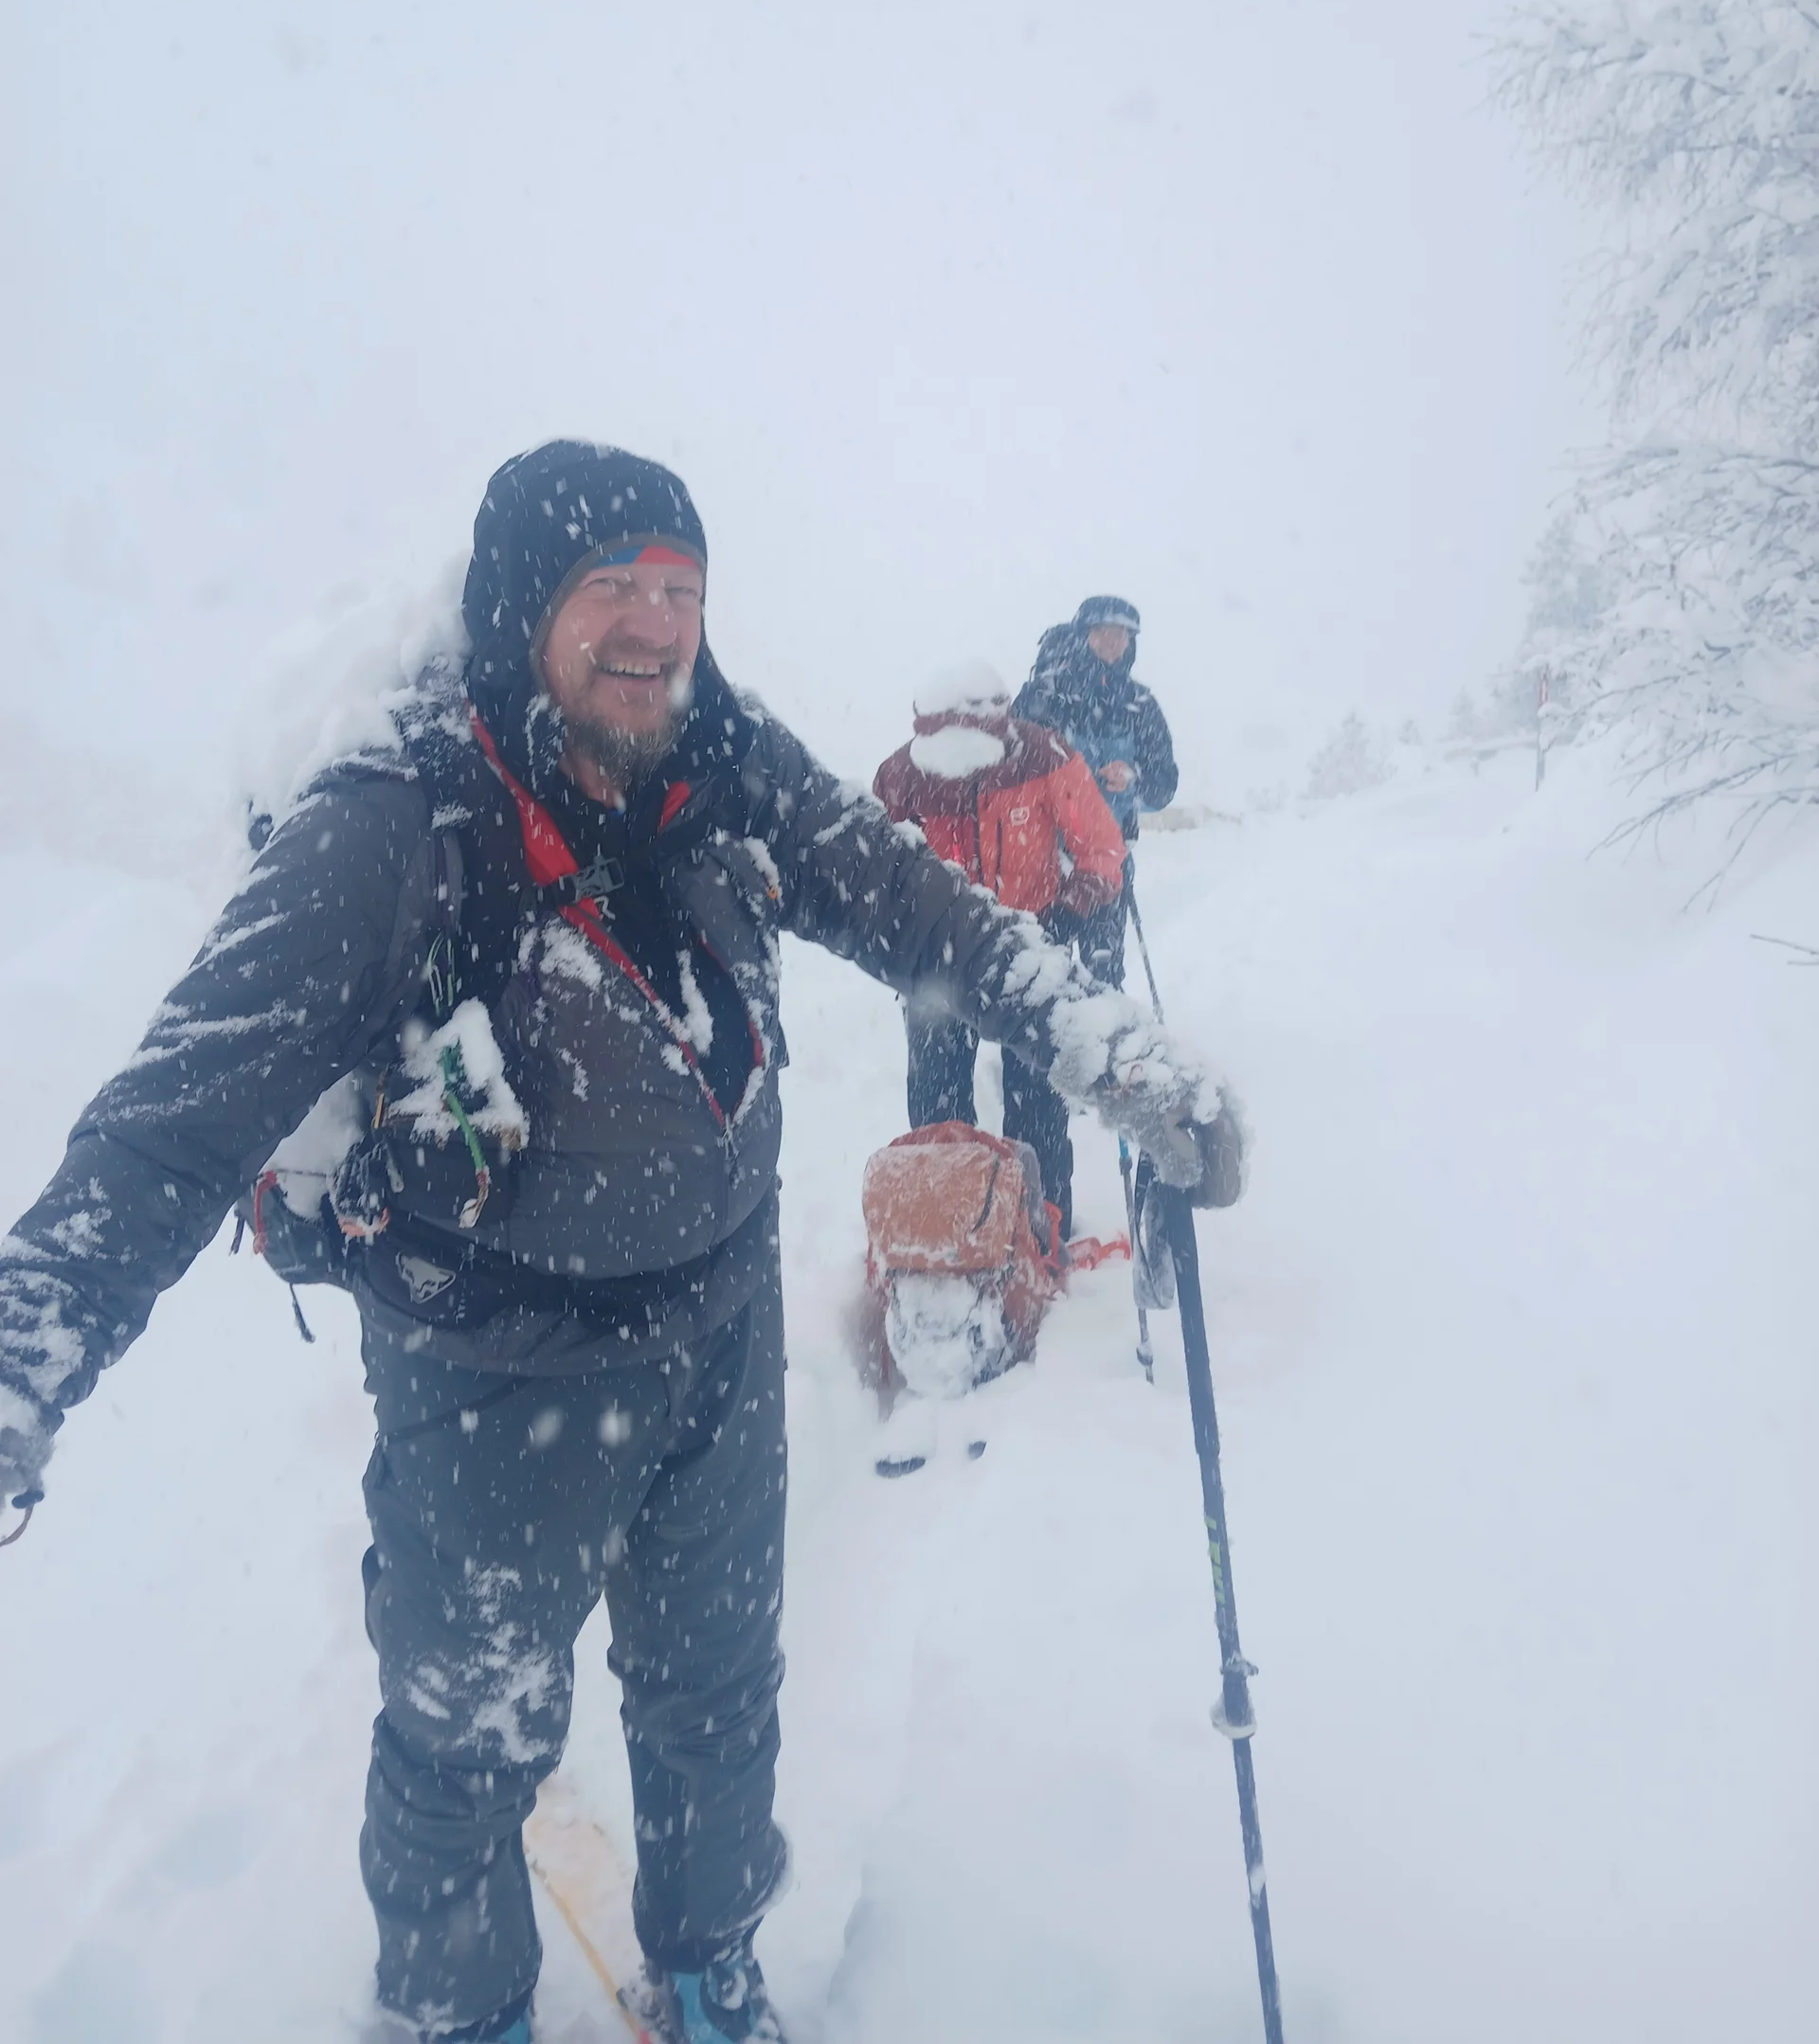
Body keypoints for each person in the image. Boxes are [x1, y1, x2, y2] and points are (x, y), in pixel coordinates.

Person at [0, 444, 1242, 2044]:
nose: (657, 626)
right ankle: (462, 2017)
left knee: (717, 1698)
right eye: (614, 587)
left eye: (683, 589)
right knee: (466, 1746)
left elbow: (915, 906)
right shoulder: (393, 821)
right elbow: (169, 1120)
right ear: (523, 600)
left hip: (713, 1343)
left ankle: (713, 1969)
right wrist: (23, 1356)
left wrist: (1110, 1053)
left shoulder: (721, 754)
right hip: (488, 1380)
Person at [873, 663, 1127, 1246]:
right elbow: (879, 873)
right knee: (938, 1106)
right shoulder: (900, 775)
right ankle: (949, 1228)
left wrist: (1073, 903)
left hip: (1028, 947)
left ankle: (1043, 1228)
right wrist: (901, 932)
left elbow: (1101, 846)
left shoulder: (1045, 756)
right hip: (938, 957)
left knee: (1036, 1095)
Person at [1015, 595, 1178, 990]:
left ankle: (1097, 1047)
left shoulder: (1140, 705)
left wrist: (1133, 777)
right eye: (1103, 631)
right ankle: (1040, 1050)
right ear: (1083, 635)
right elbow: (1010, 770)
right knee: (1040, 975)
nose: (1113, 641)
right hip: (1043, 859)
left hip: (1107, 860)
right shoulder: (1046, 696)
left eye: (1122, 634)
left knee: (1102, 975)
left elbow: (1164, 785)